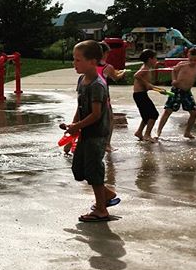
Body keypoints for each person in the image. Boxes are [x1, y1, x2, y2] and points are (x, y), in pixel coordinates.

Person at [64, 40, 119, 222]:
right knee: (79, 170)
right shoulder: (82, 80)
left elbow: (96, 115)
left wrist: (77, 126)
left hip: (96, 134)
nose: (74, 64)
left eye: (78, 60)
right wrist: (73, 127)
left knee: (94, 171)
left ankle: (102, 210)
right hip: (86, 132)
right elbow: (81, 107)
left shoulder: (97, 85)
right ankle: (108, 194)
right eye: (74, 59)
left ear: (93, 61)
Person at [156, 47, 196, 139]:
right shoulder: (182, 65)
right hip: (177, 90)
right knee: (168, 110)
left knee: (194, 112)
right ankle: (158, 131)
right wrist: (174, 79)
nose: (193, 62)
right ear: (188, 56)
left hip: (187, 92)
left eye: (195, 60)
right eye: (191, 59)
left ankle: (187, 132)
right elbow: (174, 70)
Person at [98, 42, 126, 151]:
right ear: (104, 53)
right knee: (109, 119)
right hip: (103, 95)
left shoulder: (90, 64)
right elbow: (116, 77)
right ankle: (107, 144)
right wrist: (122, 72)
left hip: (90, 93)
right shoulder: (107, 66)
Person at [132, 49, 160, 142]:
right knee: (154, 114)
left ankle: (139, 132)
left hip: (141, 94)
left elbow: (146, 85)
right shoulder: (145, 68)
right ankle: (147, 135)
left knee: (146, 115)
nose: (156, 60)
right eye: (155, 58)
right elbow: (136, 75)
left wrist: (153, 87)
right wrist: (147, 84)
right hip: (139, 95)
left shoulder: (147, 68)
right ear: (150, 59)